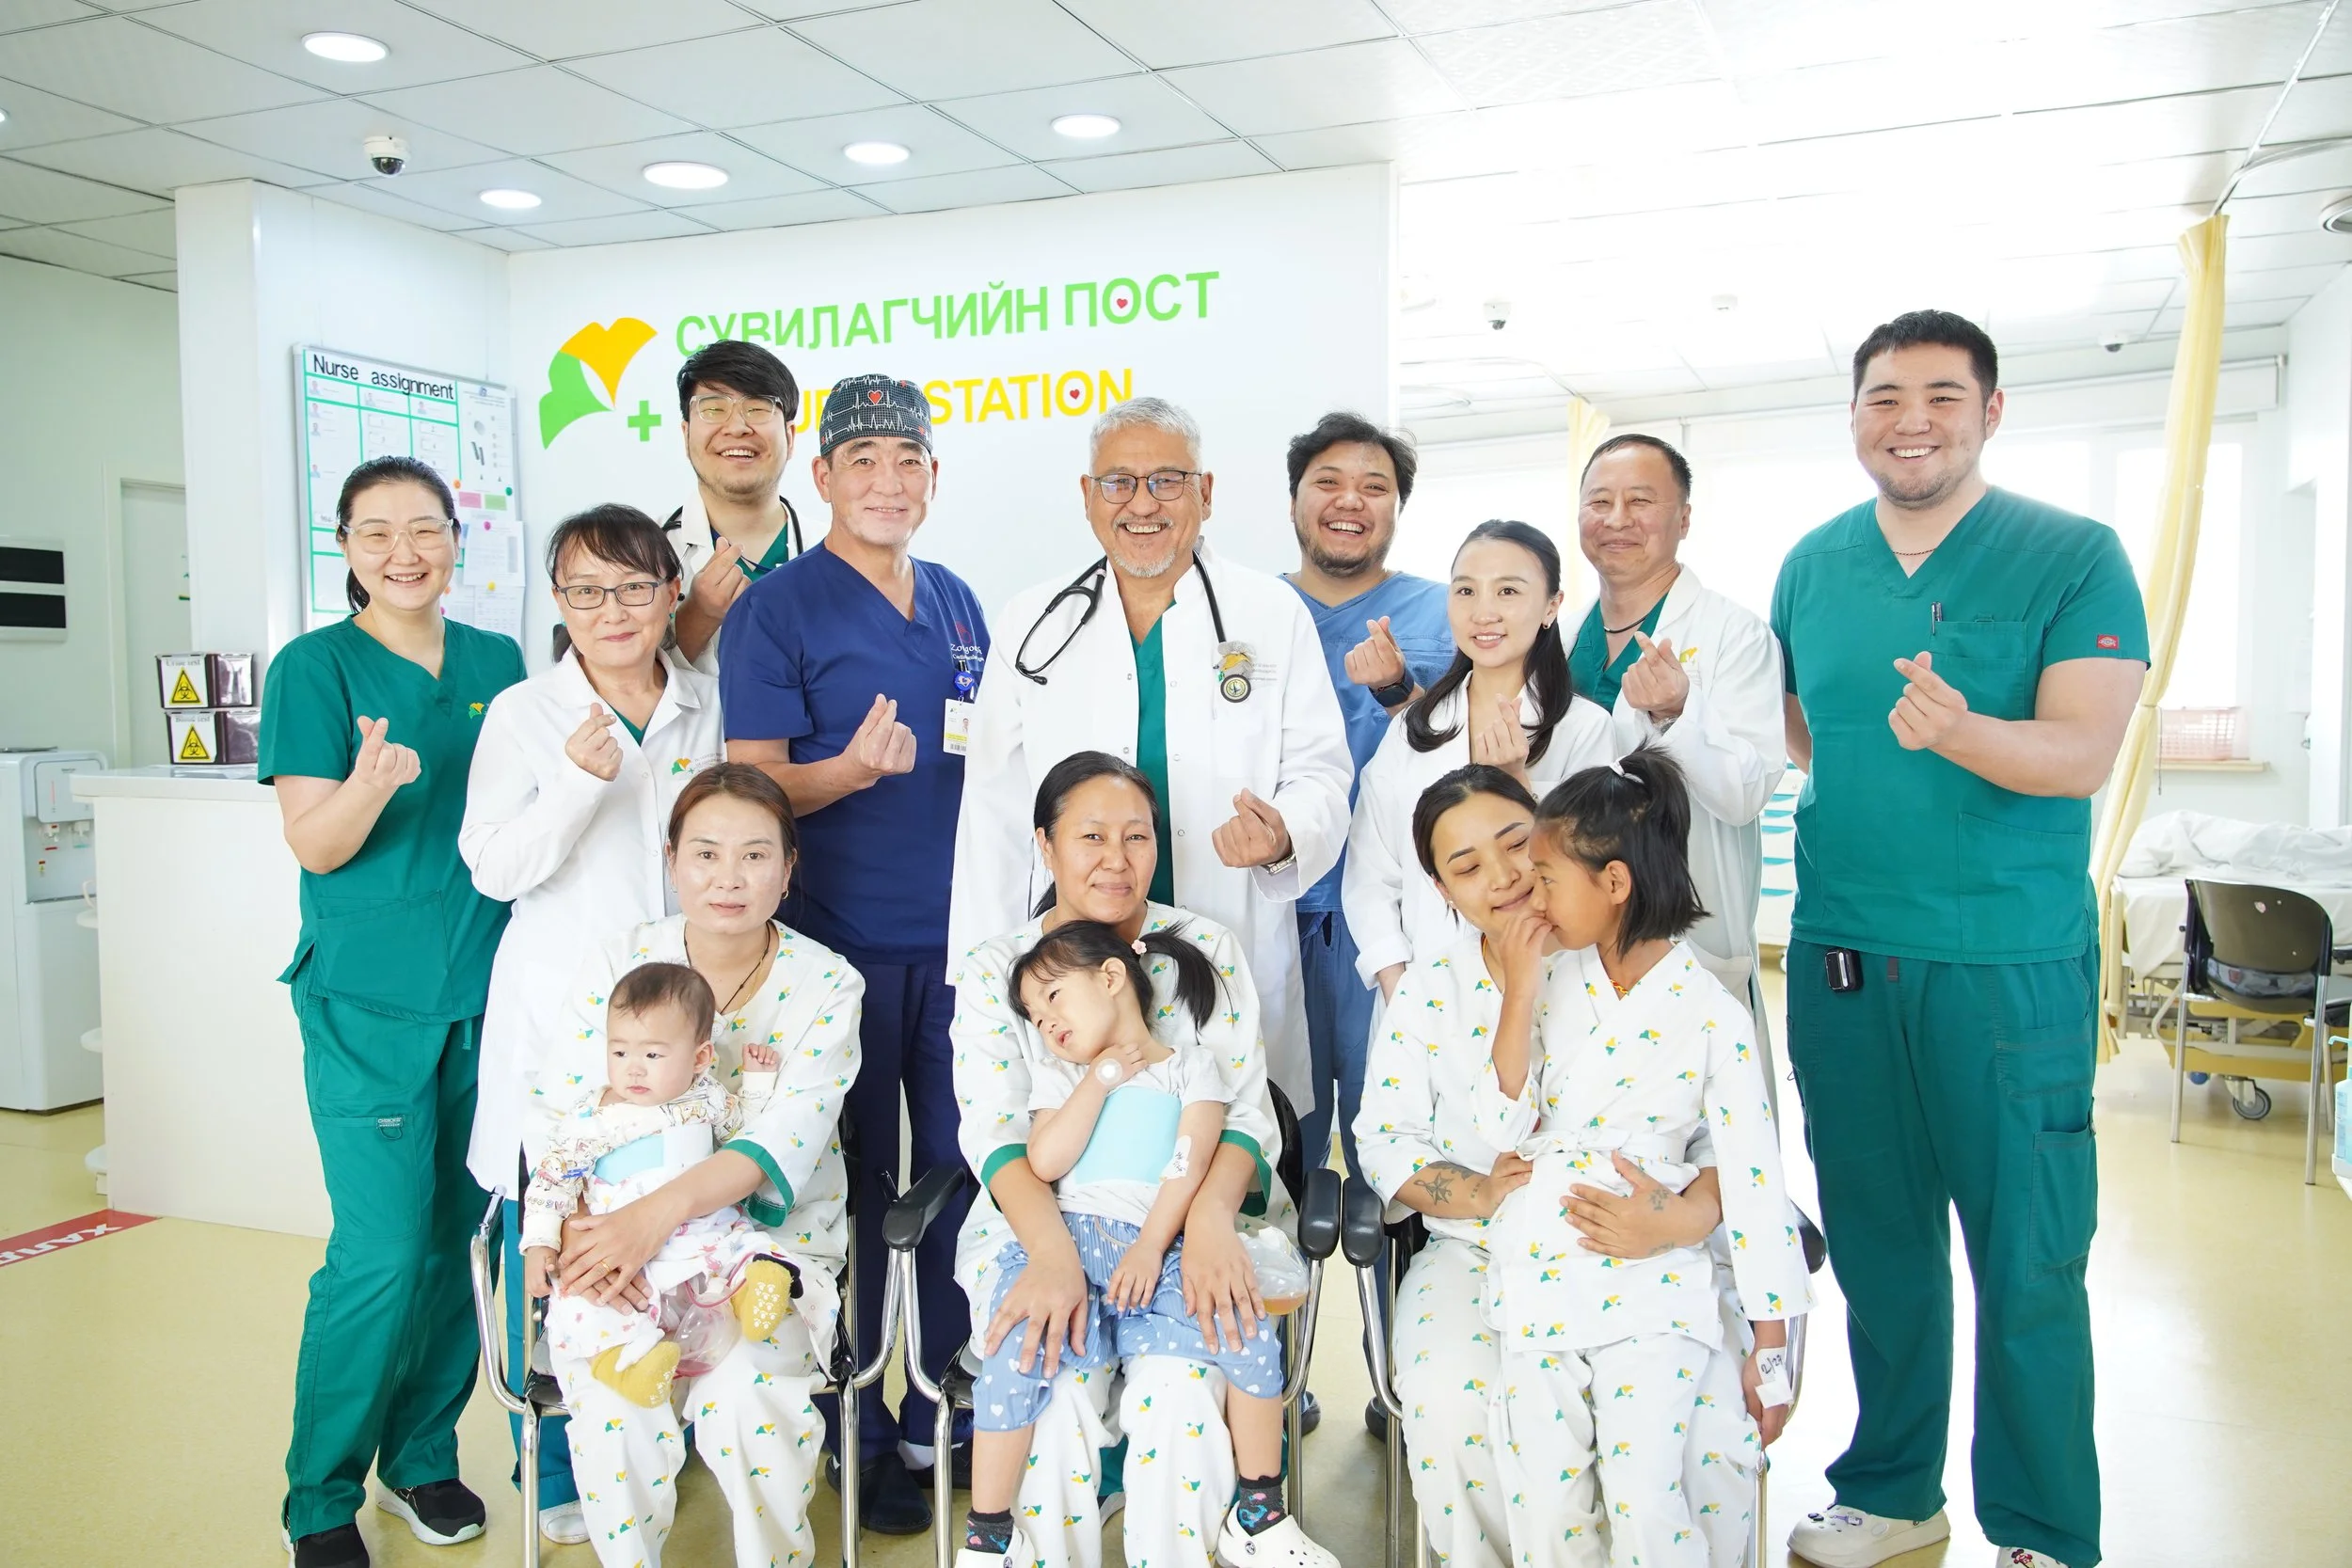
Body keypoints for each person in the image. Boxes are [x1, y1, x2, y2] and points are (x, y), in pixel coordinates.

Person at [1772, 310, 2145, 1568]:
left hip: (2006, 963)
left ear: (1990, 411)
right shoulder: (1813, 565)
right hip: (1843, 954)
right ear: (1855, 417)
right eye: (1884, 395)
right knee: (1879, 1243)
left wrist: (1963, 733)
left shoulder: (2071, 554)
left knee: (2029, 1254)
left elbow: (2082, 749)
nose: (1911, 418)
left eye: (1941, 393)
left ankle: (2040, 1527)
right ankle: (1891, 1489)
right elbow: (1809, 731)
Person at [1353, 766, 1757, 1568]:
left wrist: (1689, 1213)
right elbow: (1385, 1140)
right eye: (1467, 866)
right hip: (1480, 1249)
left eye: (1515, 845)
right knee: (1452, 1403)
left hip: (1647, 1246)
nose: (1504, 877)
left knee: (1710, 1426)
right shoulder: (1430, 992)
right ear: (1440, 890)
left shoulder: (1633, 964)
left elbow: (1729, 1136)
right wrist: (1478, 1192)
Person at [723, 373, 989, 1529]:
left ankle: (942, 1403)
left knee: (965, 1173)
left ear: (933, 475)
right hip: (841, 950)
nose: (888, 480)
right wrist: (845, 772)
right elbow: (747, 783)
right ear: (822, 475)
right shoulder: (776, 610)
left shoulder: (959, 601)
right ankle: (860, 1425)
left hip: (961, 946)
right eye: (863, 460)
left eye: (908, 459)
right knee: (856, 1189)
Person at [258, 454, 526, 1568]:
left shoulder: (498, 660)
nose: (404, 551)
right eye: (377, 531)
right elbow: (315, 843)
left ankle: (419, 1455)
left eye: (425, 528)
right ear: (346, 547)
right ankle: (320, 1494)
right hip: (367, 1007)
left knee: (461, 1245)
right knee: (377, 1254)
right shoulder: (314, 667)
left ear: (457, 538)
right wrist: (369, 783)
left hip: (485, 999)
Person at [951, 396, 1353, 1132]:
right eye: (1118, 482)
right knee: (1084, 1155)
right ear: (1087, 495)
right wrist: (988, 972)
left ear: (1206, 492)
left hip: (1225, 941)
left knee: (1235, 1142)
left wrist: (1285, 832)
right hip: (1074, 967)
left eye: (1168, 480)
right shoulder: (1033, 622)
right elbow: (993, 813)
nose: (1142, 503)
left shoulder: (1269, 613)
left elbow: (1321, 770)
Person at [951, 752, 1297, 1568]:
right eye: (1091, 836)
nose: (1117, 858)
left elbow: (1244, 1113)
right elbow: (996, 1136)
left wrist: (1208, 1222)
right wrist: (1051, 1255)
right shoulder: (1000, 968)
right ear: (1045, 844)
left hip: (1187, 1226)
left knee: (1180, 1391)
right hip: (1043, 1226)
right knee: (1052, 1380)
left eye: (1136, 836)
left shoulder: (1205, 947)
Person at [459, 503, 723, 1544]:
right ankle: (554, 1459)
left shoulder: (703, 702)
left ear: (670, 594)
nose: (611, 610)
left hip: (677, 1017)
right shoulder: (525, 712)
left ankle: (647, 1434)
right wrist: (576, 782)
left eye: (633, 587)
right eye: (585, 590)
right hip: (562, 1020)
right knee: (554, 1224)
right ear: (560, 604)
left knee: (665, 1222)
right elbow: (493, 866)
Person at [1480, 749, 1810, 1566]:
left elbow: (1753, 1174)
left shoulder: (1712, 1011)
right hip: (1544, 1261)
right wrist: (1517, 991)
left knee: (1646, 1495)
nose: (1531, 897)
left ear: (1615, 883)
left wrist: (1771, 1348)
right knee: (1545, 1496)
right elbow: (1500, 1123)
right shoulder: (1547, 981)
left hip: (1654, 1276)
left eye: (1547, 878)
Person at [532, 764, 864, 1568]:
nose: (729, 877)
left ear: (788, 869)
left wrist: (653, 1219)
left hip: (761, 1255)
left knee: (749, 1398)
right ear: (672, 859)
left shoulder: (827, 983)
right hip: (614, 1245)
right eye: (707, 853)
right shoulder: (618, 963)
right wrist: (583, 1234)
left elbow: (781, 1139)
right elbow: (561, 1116)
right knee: (614, 1402)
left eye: (755, 855)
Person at [1280, 411, 1454, 1180]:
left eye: (1374, 487)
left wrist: (1399, 692)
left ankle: (1399, 1262)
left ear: (1397, 507)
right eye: (1328, 482)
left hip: (1398, 913)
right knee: (1274, 1137)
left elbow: (1474, 761)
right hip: (1276, 908)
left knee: (1404, 1139)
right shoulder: (1246, 613)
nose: (1350, 500)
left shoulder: (1448, 613)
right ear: (1293, 500)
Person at [1343, 519, 1613, 999]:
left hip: (1546, 992)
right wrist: (1400, 991)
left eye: (1508, 591)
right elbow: (1370, 875)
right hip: (1420, 996)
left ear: (1551, 607)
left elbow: (1591, 876)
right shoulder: (1413, 730)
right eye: (1466, 591)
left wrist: (1518, 786)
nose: (1483, 613)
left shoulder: (1584, 729)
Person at [1571, 434, 1787, 1009]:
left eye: (1641, 501)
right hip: (1571, 930)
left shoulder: (1734, 635)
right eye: (1599, 502)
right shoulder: (1561, 636)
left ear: (1684, 519)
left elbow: (1744, 795)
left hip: (1687, 940)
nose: (1617, 519)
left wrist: (1678, 713)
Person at [521, 963, 793, 1412]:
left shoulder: (706, 1097)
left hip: (700, 1232)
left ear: (700, 1059)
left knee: (744, 1246)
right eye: (620, 1051)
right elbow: (552, 1181)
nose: (633, 1069)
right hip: (622, 1252)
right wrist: (540, 1243)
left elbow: (746, 1134)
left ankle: (751, 1290)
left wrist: (758, 1083)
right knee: (584, 1303)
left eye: (652, 1055)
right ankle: (626, 1364)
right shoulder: (591, 1119)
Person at [665, 339, 807, 674]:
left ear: (790, 437)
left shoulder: (839, 552)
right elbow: (612, 684)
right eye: (714, 409)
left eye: (757, 408)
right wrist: (697, 616)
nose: (737, 427)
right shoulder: (636, 554)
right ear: (686, 434)